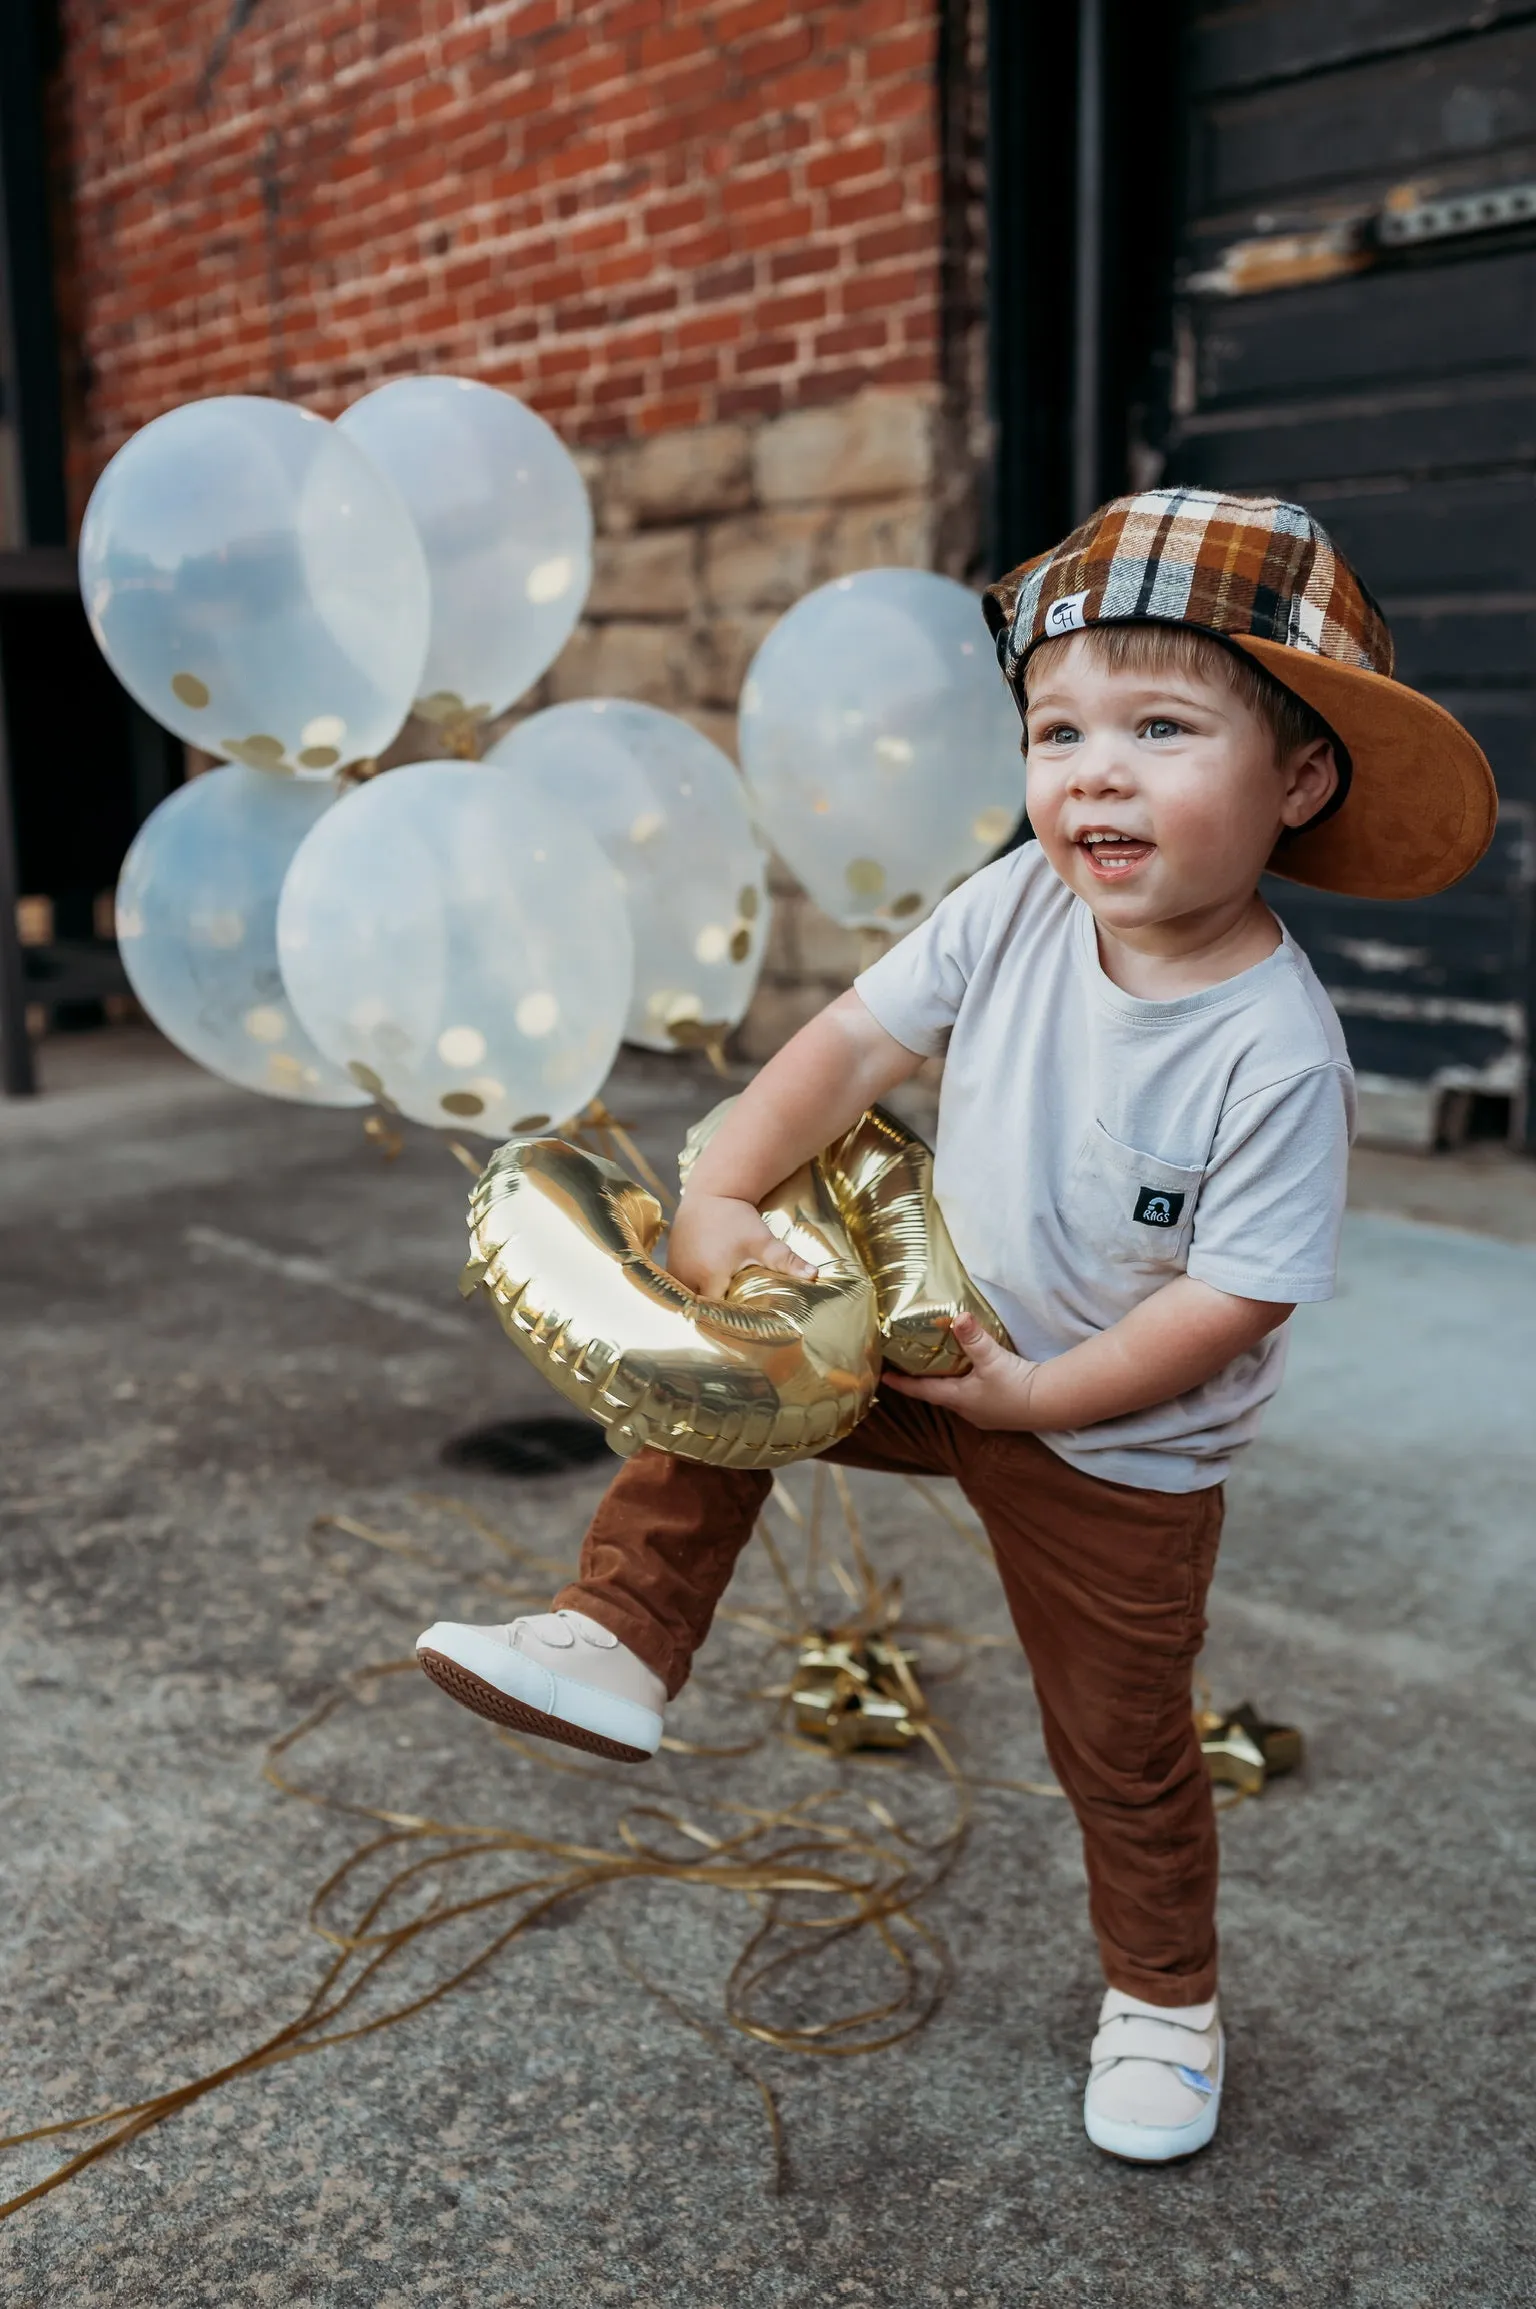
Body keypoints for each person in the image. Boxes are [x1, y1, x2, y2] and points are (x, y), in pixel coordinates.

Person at [417, 489, 1495, 2163]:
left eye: (1159, 726)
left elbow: (1236, 1294)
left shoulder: (1275, 1050)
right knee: (720, 1380)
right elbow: (849, 1045)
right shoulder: (1016, 909)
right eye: (1056, 729)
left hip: (1116, 1436)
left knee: (1122, 1749)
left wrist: (1043, 1399)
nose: (1094, 772)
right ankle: (620, 1634)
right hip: (936, 1340)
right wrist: (724, 1196)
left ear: (1297, 781)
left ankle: (1162, 2005)